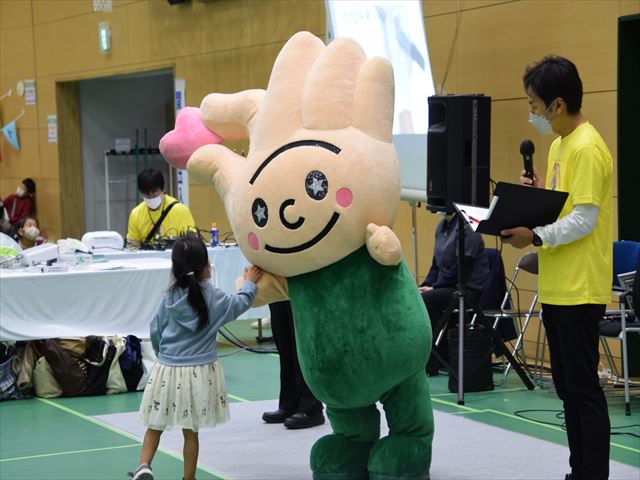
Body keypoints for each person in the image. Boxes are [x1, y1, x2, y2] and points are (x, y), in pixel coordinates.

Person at [501, 56, 612, 480]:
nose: (533, 115)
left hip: (581, 287)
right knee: (566, 387)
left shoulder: (586, 146)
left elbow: (584, 219)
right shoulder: (560, 144)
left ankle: (592, 474)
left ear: (557, 105)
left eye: (534, 106)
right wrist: (536, 199)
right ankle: (578, 470)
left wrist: (536, 235)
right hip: (557, 284)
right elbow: (563, 206)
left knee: (582, 389)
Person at [128, 235, 262, 480]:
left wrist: (163, 357)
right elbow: (240, 304)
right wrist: (250, 283)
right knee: (191, 433)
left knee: (154, 425)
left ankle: (144, 465)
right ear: (206, 266)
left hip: (168, 369)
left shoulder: (169, 298)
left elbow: (156, 330)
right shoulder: (214, 297)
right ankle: (188, 478)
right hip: (198, 373)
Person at [419, 212, 489, 376]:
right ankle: (435, 356)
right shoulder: (440, 227)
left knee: (427, 299)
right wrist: (427, 284)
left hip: (469, 289)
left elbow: (462, 266)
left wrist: (435, 287)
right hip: (447, 286)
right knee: (419, 296)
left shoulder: (468, 227)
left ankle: (432, 362)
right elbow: (435, 265)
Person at [261, 301, 325, 429]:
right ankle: (289, 404)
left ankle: (311, 408)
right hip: (279, 285)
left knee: (301, 341)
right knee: (284, 342)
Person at [126, 169, 196, 249]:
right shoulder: (136, 213)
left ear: (163, 189)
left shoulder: (180, 210)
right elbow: (132, 246)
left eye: (154, 192)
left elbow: (192, 243)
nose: (151, 198)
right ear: (141, 193)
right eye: (147, 194)